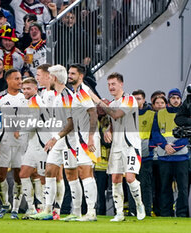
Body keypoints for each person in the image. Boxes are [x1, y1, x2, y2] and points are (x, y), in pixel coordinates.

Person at [90, 72, 145, 222]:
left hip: (131, 145)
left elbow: (116, 115)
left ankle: (139, 204)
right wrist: (109, 129)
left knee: (130, 177)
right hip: (116, 146)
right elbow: (114, 120)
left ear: (121, 84)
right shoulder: (112, 104)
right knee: (115, 178)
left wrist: (99, 101)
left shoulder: (129, 99)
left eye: (113, 84)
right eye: (108, 84)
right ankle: (119, 213)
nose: (111, 87)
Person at [30, 65, 78, 221]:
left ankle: (76, 212)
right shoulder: (57, 96)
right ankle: (48, 210)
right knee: (49, 170)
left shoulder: (67, 96)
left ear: (54, 78)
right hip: (58, 141)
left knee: (71, 175)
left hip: (69, 141)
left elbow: (71, 124)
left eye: (49, 76)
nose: (47, 78)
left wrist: (55, 138)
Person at [0, 69, 28, 219]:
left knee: (19, 176)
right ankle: (5, 204)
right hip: (3, 141)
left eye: (21, 79)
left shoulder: (26, 98)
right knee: (0, 175)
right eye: (16, 79)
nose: (20, 81)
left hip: (21, 142)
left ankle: (16, 209)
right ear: (8, 80)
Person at [64, 64, 100, 221]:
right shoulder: (76, 92)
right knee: (85, 173)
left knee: (85, 173)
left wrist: (91, 136)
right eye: (69, 73)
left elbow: (93, 114)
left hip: (86, 138)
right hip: (81, 137)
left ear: (81, 76)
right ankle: (87, 211)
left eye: (73, 73)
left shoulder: (83, 91)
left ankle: (91, 212)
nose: (69, 75)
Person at [150, 88, 189, 217]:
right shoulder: (160, 114)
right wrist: (165, 145)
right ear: (169, 100)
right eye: (173, 98)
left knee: (183, 189)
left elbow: (187, 135)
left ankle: (182, 214)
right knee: (165, 188)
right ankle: (166, 214)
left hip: (181, 158)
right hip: (164, 157)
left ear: (181, 100)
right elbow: (155, 133)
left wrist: (174, 148)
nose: (176, 100)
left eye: (178, 98)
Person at [19, 77, 51, 218]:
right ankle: (32, 208)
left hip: (42, 144)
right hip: (33, 144)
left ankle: (45, 209)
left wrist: (20, 130)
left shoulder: (35, 101)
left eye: (28, 88)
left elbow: (34, 123)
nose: (25, 91)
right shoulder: (29, 102)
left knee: (44, 178)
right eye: (23, 88)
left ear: (35, 89)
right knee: (24, 174)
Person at [132, 89, 155, 217]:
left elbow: (154, 133)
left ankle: (147, 210)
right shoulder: (128, 114)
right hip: (131, 154)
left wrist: (149, 147)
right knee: (131, 183)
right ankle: (132, 210)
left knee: (145, 185)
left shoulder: (151, 114)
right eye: (134, 98)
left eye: (139, 99)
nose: (136, 101)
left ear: (144, 100)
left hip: (145, 156)